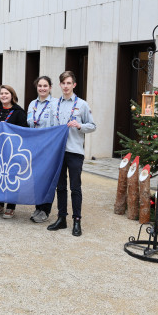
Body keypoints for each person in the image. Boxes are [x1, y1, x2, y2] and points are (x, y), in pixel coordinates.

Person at [47, 71, 96, 236]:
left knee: (75, 187)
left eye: (69, 83)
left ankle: (77, 220)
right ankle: (61, 218)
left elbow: (93, 125)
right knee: (60, 187)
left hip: (74, 151)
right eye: (63, 83)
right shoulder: (54, 104)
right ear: (60, 85)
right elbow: (50, 128)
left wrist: (80, 125)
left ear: (74, 85)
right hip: (58, 151)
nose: (66, 86)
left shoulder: (82, 104)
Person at [0, 85, 28, 219]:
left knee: (11, 177)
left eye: (6, 93)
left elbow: (24, 131)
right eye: (1, 93)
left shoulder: (19, 112)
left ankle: (10, 206)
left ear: (12, 95)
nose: (4, 96)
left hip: (14, 151)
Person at [26, 76, 57, 223]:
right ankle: (38, 207)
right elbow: (30, 123)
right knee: (36, 179)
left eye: (45, 86)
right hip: (35, 146)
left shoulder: (55, 103)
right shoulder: (33, 104)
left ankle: (45, 210)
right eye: (40, 86)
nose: (42, 88)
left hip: (49, 147)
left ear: (50, 87)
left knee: (47, 179)